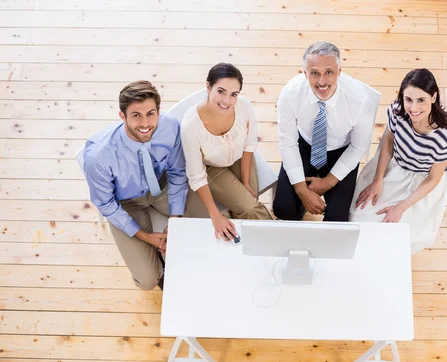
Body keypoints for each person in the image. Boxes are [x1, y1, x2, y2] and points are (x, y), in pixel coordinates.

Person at [83, 80, 207, 290]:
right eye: (136, 115)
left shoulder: (171, 128)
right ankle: (158, 265)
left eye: (151, 113)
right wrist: (148, 238)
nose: (145, 123)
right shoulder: (98, 156)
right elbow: (106, 204)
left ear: (159, 110)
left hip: (162, 185)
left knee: (206, 227)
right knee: (148, 280)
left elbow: (177, 173)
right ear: (122, 116)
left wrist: (175, 221)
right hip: (125, 203)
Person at [351, 68, 447, 254]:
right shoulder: (397, 110)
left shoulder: (443, 138)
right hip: (393, 168)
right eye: (408, 99)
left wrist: (401, 207)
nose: (413, 108)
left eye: (421, 100)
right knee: (358, 217)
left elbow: (433, 179)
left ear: (433, 97)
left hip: (419, 183)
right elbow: (389, 141)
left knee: (393, 235)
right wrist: (378, 180)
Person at [272, 41, 379, 222]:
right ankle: (299, 206)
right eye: (315, 73)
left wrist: (328, 182)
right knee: (283, 210)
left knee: (337, 219)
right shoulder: (290, 93)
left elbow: (359, 146)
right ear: (305, 73)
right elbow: (288, 142)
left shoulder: (360, 99)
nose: (322, 82)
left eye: (329, 72)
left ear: (339, 71)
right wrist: (302, 190)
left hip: (342, 150)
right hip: (304, 146)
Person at [180, 63, 272, 241]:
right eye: (221, 91)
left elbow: (249, 144)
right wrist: (215, 215)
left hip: (239, 158)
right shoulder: (190, 125)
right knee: (250, 209)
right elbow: (196, 176)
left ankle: (253, 245)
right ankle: (275, 241)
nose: (227, 101)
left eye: (234, 94)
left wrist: (245, 181)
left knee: (250, 203)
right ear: (208, 87)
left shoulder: (244, 106)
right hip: (212, 168)